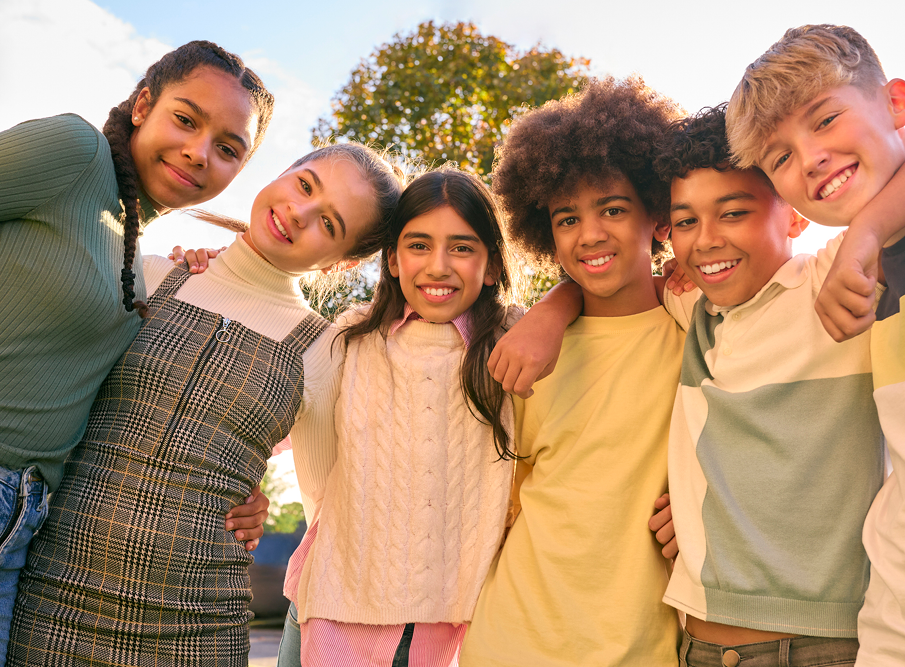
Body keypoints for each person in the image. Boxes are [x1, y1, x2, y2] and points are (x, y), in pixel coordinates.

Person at [7, 142, 405, 666]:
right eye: (305, 185)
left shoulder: (323, 350)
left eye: (329, 225)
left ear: (344, 260)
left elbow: (325, 514)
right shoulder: (148, 273)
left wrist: (246, 491)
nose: (299, 212)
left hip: (199, 623)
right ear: (283, 172)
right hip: (52, 598)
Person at [725, 24, 905, 665]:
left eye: (825, 119)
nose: (811, 157)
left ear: (898, 104)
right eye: (781, 157)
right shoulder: (833, 277)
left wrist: (869, 229)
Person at [0, 40, 274, 663]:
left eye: (228, 149)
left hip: (26, 519)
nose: (198, 152)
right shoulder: (75, 152)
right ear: (143, 104)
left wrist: (229, 484)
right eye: (185, 118)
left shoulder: (134, 246)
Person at [459, 76, 696, 667]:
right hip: (511, 640)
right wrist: (554, 308)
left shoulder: (696, 331)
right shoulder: (525, 351)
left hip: (642, 645)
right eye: (566, 219)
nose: (589, 234)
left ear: (658, 219)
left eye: (613, 209)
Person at [652, 104, 882, 667]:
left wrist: (868, 232)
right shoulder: (695, 308)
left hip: (821, 645)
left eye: (733, 213)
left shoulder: (833, 281)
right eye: (685, 222)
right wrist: (551, 310)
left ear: (795, 215)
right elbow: (616, 282)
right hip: (698, 644)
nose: (705, 241)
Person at [280, 167, 523, 667]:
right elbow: (261, 414)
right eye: (418, 245)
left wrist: (559, 306)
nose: (438, 266)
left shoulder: (515, 340)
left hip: (445, 619)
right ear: (391, 259)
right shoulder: (350, 338)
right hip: (329, 605)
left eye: (462, 247)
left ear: (493, 265)